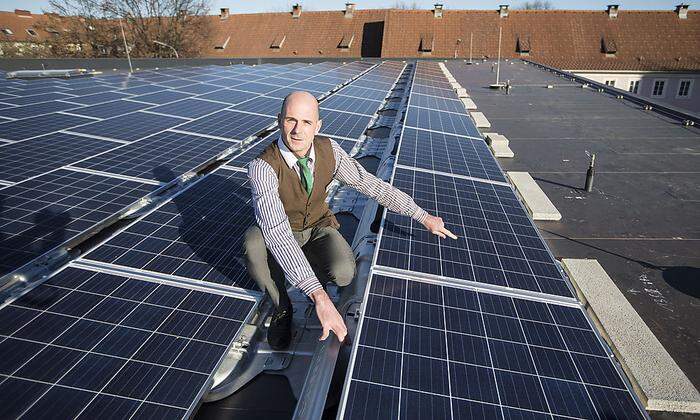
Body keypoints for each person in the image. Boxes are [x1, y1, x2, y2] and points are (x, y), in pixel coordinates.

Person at [244, 91, 457, 350]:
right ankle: (282, 307)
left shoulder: (329, 150)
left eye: (307, 122)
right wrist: (319, 297)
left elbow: (369, 184)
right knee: (253, 247)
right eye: (291, 121)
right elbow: (277, 234)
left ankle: (308, 272)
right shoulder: (262, 167)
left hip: (316, 226)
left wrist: (421, 215)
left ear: (318, 126)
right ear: (279, 120)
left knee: (345, 273)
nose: (298, 130)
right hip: (279, 228)